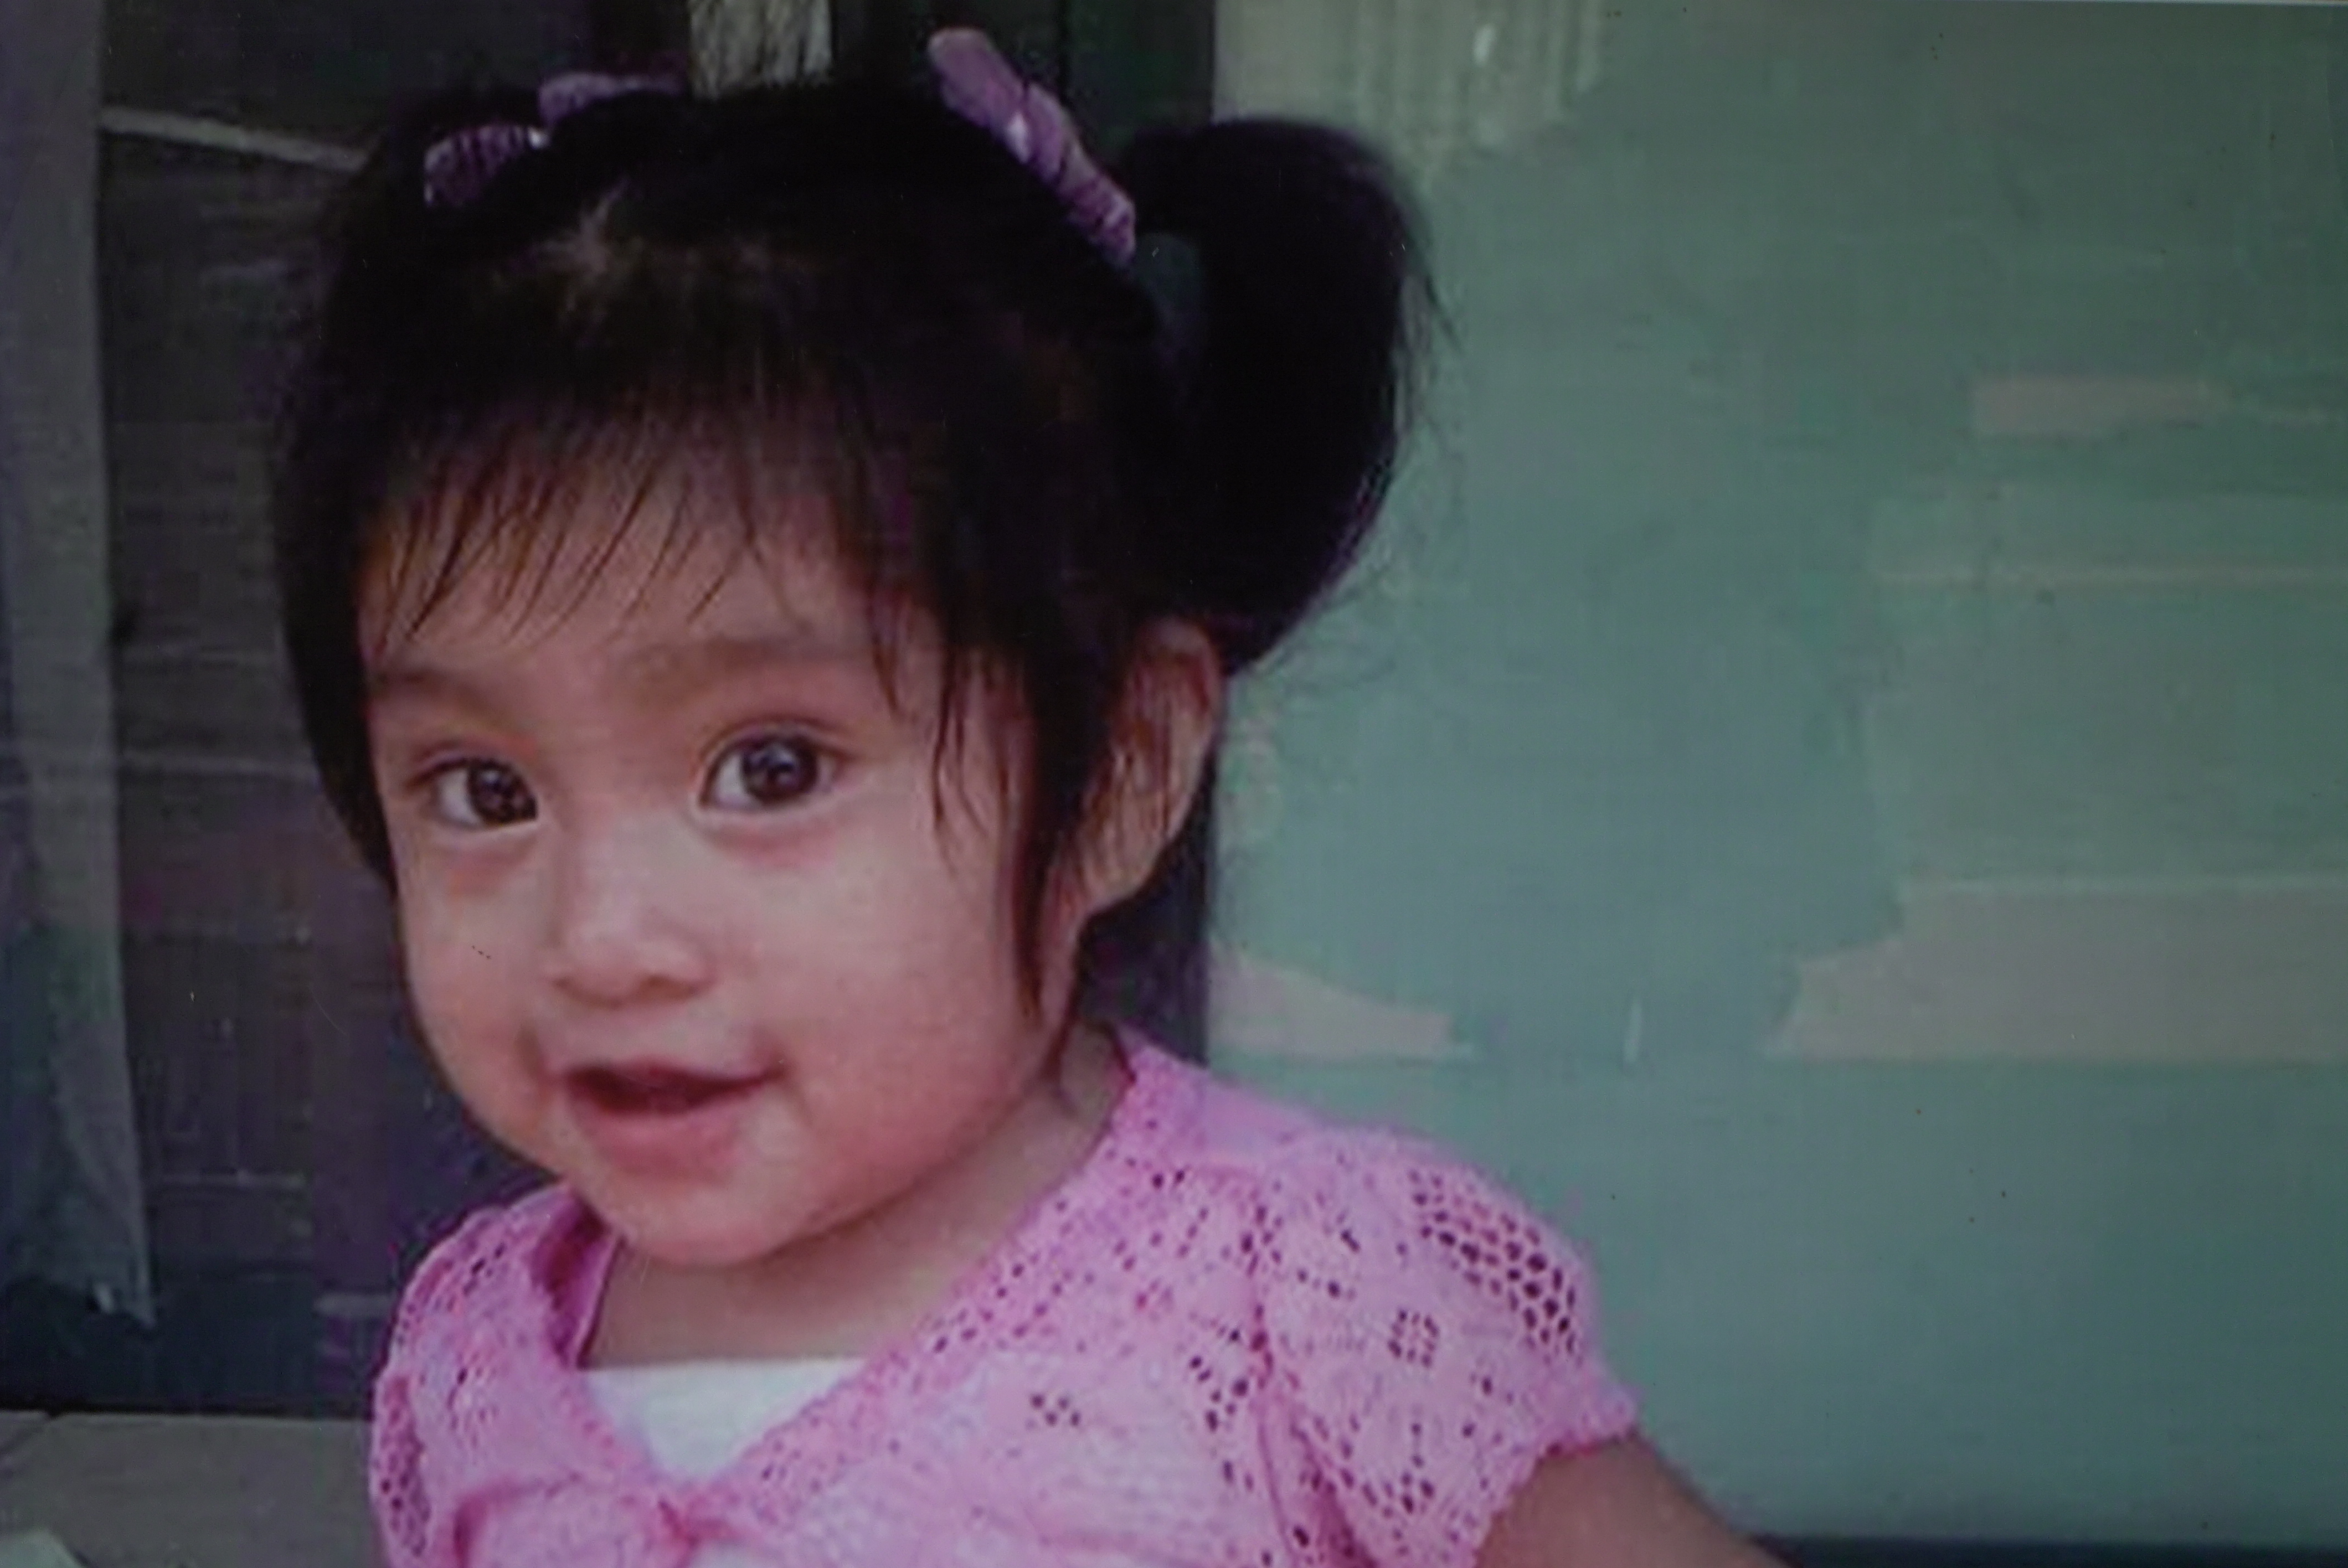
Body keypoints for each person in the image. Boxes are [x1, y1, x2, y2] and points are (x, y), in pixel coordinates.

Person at [274, 29, 1779, 1568]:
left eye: (771, 768)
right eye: (483, 789)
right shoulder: (475, 1349)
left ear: (1124, 769)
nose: (601, 938)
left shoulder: (1312, 1300)